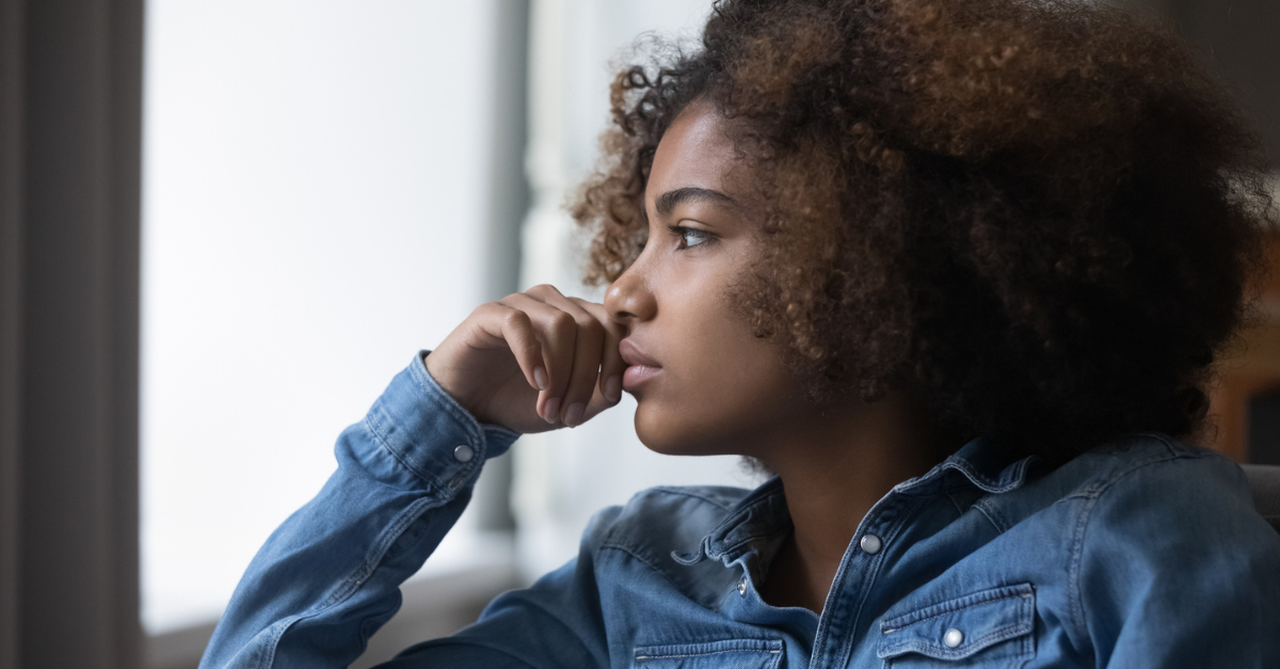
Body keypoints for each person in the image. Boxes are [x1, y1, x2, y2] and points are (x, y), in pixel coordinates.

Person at [200, 0, 1280, 666]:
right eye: (637, 235)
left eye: (689, 234)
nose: (618, 299)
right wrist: (440, 417)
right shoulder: (634, 583)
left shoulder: (1132, 529)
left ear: (875, 263)